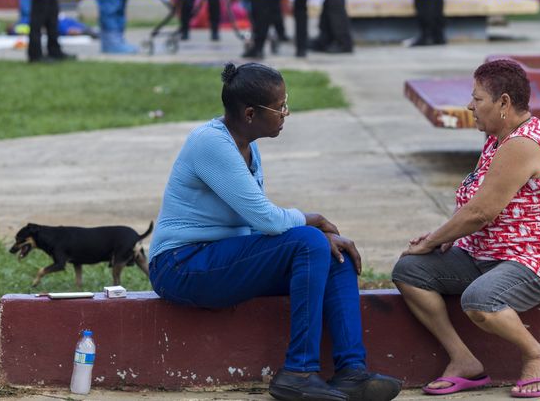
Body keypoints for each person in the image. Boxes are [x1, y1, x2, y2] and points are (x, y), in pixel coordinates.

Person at [148, 62, 403, 401]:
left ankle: (351, 373)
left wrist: (319, 237)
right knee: (310, 240)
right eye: (280, 107)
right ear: (250, 113)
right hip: (180, 264)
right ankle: (298, 372)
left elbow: (259, 223)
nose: (286, 113)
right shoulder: (210, 143)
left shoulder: (247, 147)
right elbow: (267, 220)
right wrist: (313, 220)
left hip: (219, 261)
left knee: (334, 256)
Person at [392, 59, 540, 398]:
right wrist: (448, 237)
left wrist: (433, 240)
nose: (469, 106)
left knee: (480, 300)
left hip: (533, 262)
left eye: (477, 99)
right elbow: (475, 204)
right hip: (486, 254)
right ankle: (464, 360)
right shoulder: (498, 138)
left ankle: (536, 354)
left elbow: (481, 212)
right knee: (409, 270)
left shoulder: (522, 144)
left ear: (504, 103)